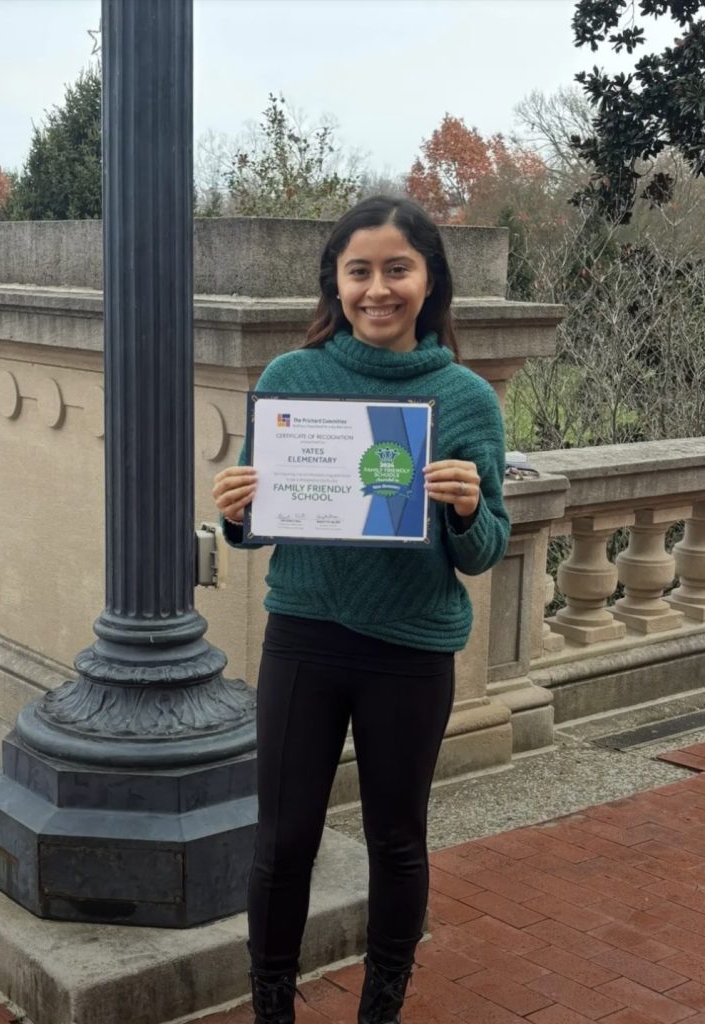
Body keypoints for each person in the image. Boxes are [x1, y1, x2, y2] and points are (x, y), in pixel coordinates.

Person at [212, 195, 510, 1024]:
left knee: (397, 840)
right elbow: (258, 523)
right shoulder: (290, 380)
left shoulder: (465, 399)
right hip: (305, 638)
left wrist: (464, 508)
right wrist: (236, 511)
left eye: (397, 269)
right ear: (335, 283)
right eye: (360, 271)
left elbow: (484, 550)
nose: (378, 289)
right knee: (283, 839)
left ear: (429, 279)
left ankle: (381, 1006)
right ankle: (273, 1006)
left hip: (410, 652)